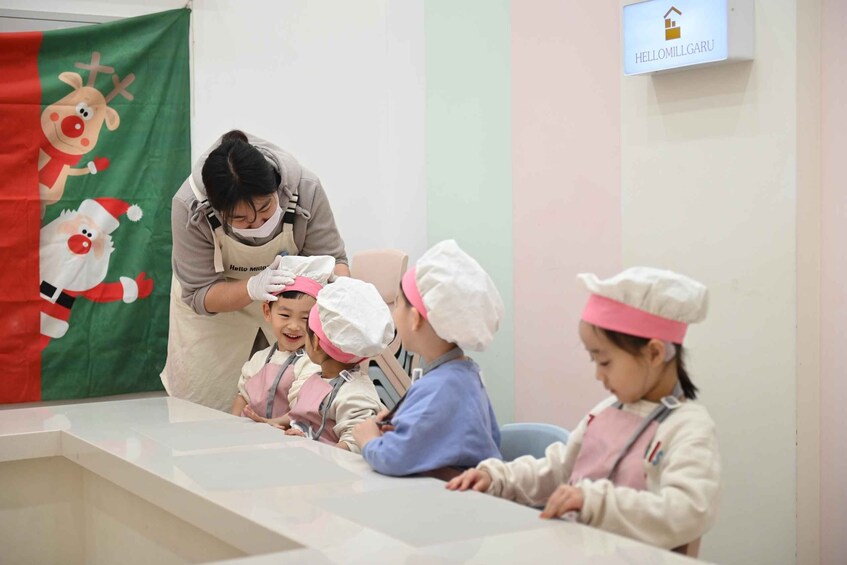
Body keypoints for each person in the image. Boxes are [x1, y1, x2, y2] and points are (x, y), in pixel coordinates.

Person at [446, 267, 721, 552]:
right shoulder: (605, 413)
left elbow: (687, 512)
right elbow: (557, 470)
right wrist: (497, 477)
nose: (598, 376)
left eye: (604, 362)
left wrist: (594, 502)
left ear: (654, 353)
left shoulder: (688, 428)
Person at [161, 130, 349, 411]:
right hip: (213, 311)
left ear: (277, 189)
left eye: (265, 210)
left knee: (294, 396)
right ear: (216, 209)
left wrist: (340, 303)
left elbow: (334, 262)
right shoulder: (190, 207)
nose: (258, 223)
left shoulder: (305, 189)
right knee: (206, 405)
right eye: (241, 220)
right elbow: (200, 293)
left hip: (286, 307)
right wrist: (252, 288)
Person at [352, 239, 504, 479]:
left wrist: (368, 439)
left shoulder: (443, 386)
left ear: (415, 318)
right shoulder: (459, 373)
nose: (393, 313)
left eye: (398, 304)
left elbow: (393, 458)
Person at [271, 276, 392, 453]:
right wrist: (268, 424)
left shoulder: (355, 395)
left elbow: (355, 442)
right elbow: (301, 414)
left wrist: (316, 453)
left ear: (316, 343)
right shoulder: (319, 377)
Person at [230, 255, 334, 420]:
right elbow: (242, 397)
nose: (294, 326)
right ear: (267, 312)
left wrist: (271, 425)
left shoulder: (312, 364)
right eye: (285, 315)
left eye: (305, 318)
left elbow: (302, 412)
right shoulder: (259, 358)